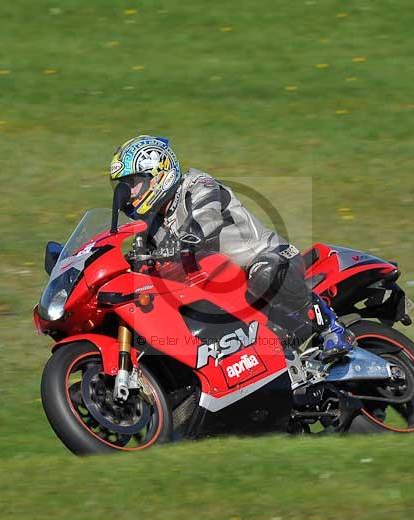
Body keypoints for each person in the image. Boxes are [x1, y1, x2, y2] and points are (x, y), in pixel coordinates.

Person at [108, 135, 353, 360]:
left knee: (264, 273)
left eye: (132, 183)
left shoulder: (197, 184)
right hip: (224, 286)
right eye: (123, 187)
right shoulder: (151, 225)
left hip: (269, 256)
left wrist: (186, 237)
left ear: (158, 173)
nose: (128, 194)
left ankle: (332, 328)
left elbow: (207, 218)